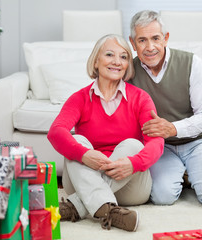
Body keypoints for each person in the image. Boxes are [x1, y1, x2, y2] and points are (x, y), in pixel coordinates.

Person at [47, 34, 164, 232]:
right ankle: (111, 211)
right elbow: (56, 132)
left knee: (133, 146)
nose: (117, 62)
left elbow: (156, 143)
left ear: (128, 64)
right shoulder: (80, 98)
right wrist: (83, 154)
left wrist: (132, 163)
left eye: (124, 57)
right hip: (83, 180)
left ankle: (76, 206)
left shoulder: (141, 99)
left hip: (130, 187)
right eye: (109, 54)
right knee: (77, 140)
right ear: (96, 60)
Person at [128, 10, 202, 207]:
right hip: (160, 146)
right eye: (142, 40)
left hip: (198, 140)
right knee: (161, 197)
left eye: (155, 38)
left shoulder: (191, 63)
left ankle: (197, 171)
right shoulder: (129, 71)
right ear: (133, 44)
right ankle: (183, 173)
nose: (150, 47)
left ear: (165, 38)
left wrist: (173, 128)